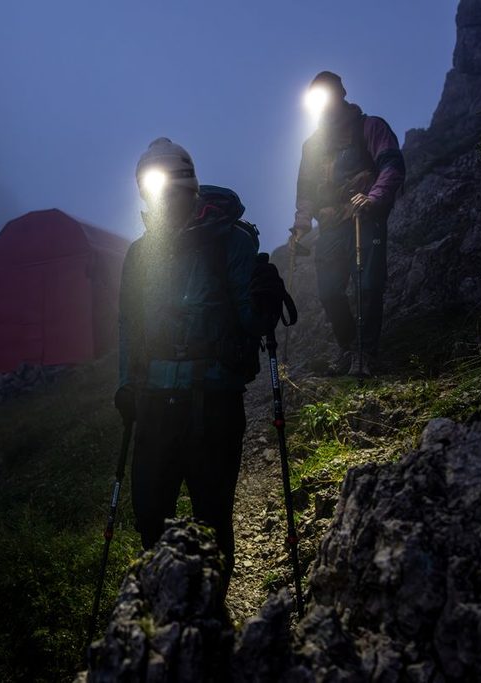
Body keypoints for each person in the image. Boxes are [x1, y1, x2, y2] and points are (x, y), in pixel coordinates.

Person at [114, 137, 285, 584]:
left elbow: (252, 322)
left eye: (168, 189)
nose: (160, 201)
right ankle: (165, 605)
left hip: (214, 401)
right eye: (151, 191)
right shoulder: (140, 255)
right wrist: (126, 384)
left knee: (213, 516)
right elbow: (129, 325)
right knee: (150, 516)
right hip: (155, 401)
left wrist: (265, 300)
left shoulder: (232, 242)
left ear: (188, 187)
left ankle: (211, 612)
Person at [290, 71, 406, 376]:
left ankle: (366, 354)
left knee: (368, 286)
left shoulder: (371, 127)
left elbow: (392, 164)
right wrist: (302, 225)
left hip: (363, 218)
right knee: (329, 291)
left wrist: (374, 197)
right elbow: (306, 190)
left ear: (341, 95)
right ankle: (349, 348)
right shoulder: (312, 145)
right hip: (330, 226)